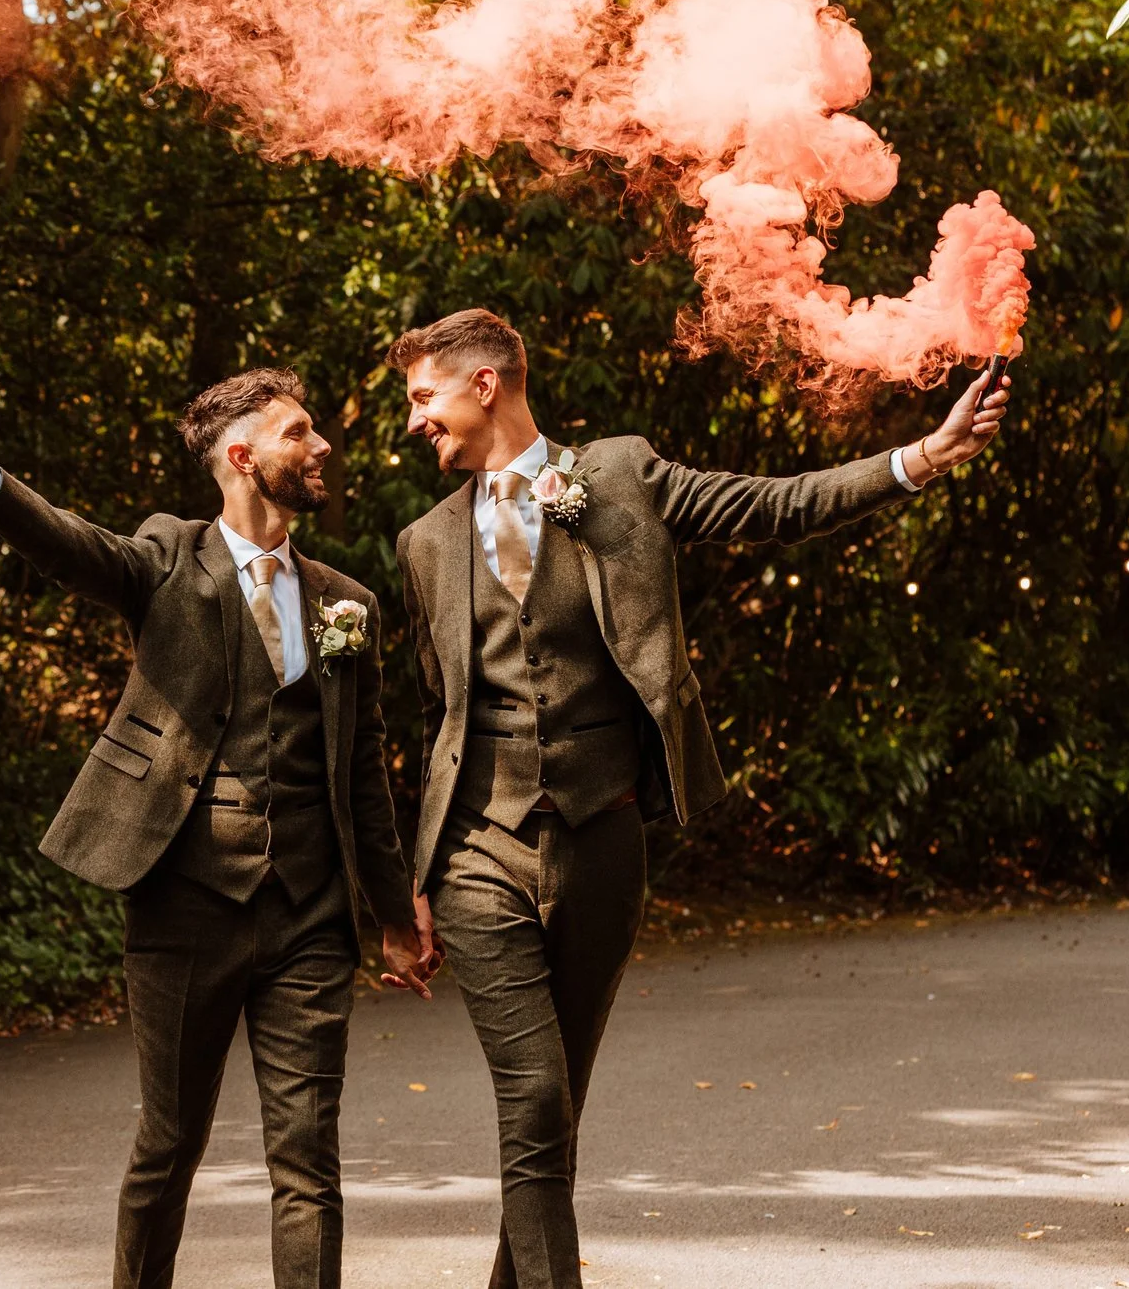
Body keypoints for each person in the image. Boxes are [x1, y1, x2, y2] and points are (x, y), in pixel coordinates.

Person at [387, 307, 1009, 1289]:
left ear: (484, 382)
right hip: (476, 849)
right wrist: (412, 880)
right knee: (535, 1089)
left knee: (551, 1110)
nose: (413, 420)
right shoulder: (422, 542)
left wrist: (923, 456)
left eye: (422, 397)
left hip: (602, 840)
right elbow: (435, 722)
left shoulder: (617, 476)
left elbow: (774, 503)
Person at [0, 368, 433, 1289]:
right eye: (300, 432)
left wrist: (396, 915)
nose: (323, 444)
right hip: (184, 904)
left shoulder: (348, 603)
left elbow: (362, 775)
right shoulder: (167, 557)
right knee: (170, 1145)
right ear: (242, 456)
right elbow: (60, 541)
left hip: (310, 918)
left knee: (309, 1161)